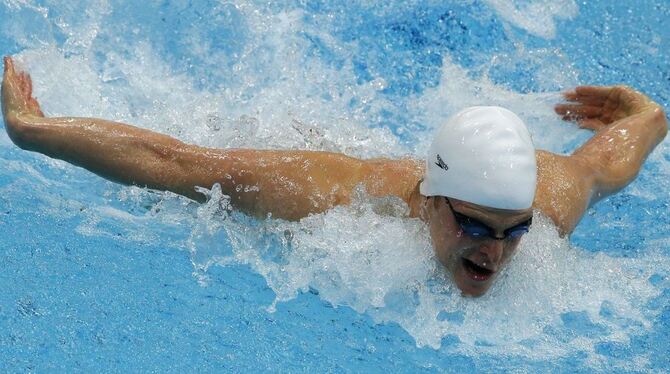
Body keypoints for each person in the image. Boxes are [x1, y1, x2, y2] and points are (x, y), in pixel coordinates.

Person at [2, 56, 667, 296]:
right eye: (472, 225)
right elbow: (180, 164)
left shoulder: (545, 206)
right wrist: (32, 130)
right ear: (433, 202)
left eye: (510, 232)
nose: (494, 252)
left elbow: (602, 164)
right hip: (335, 168)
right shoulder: (345, 198)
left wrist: (647, 114)